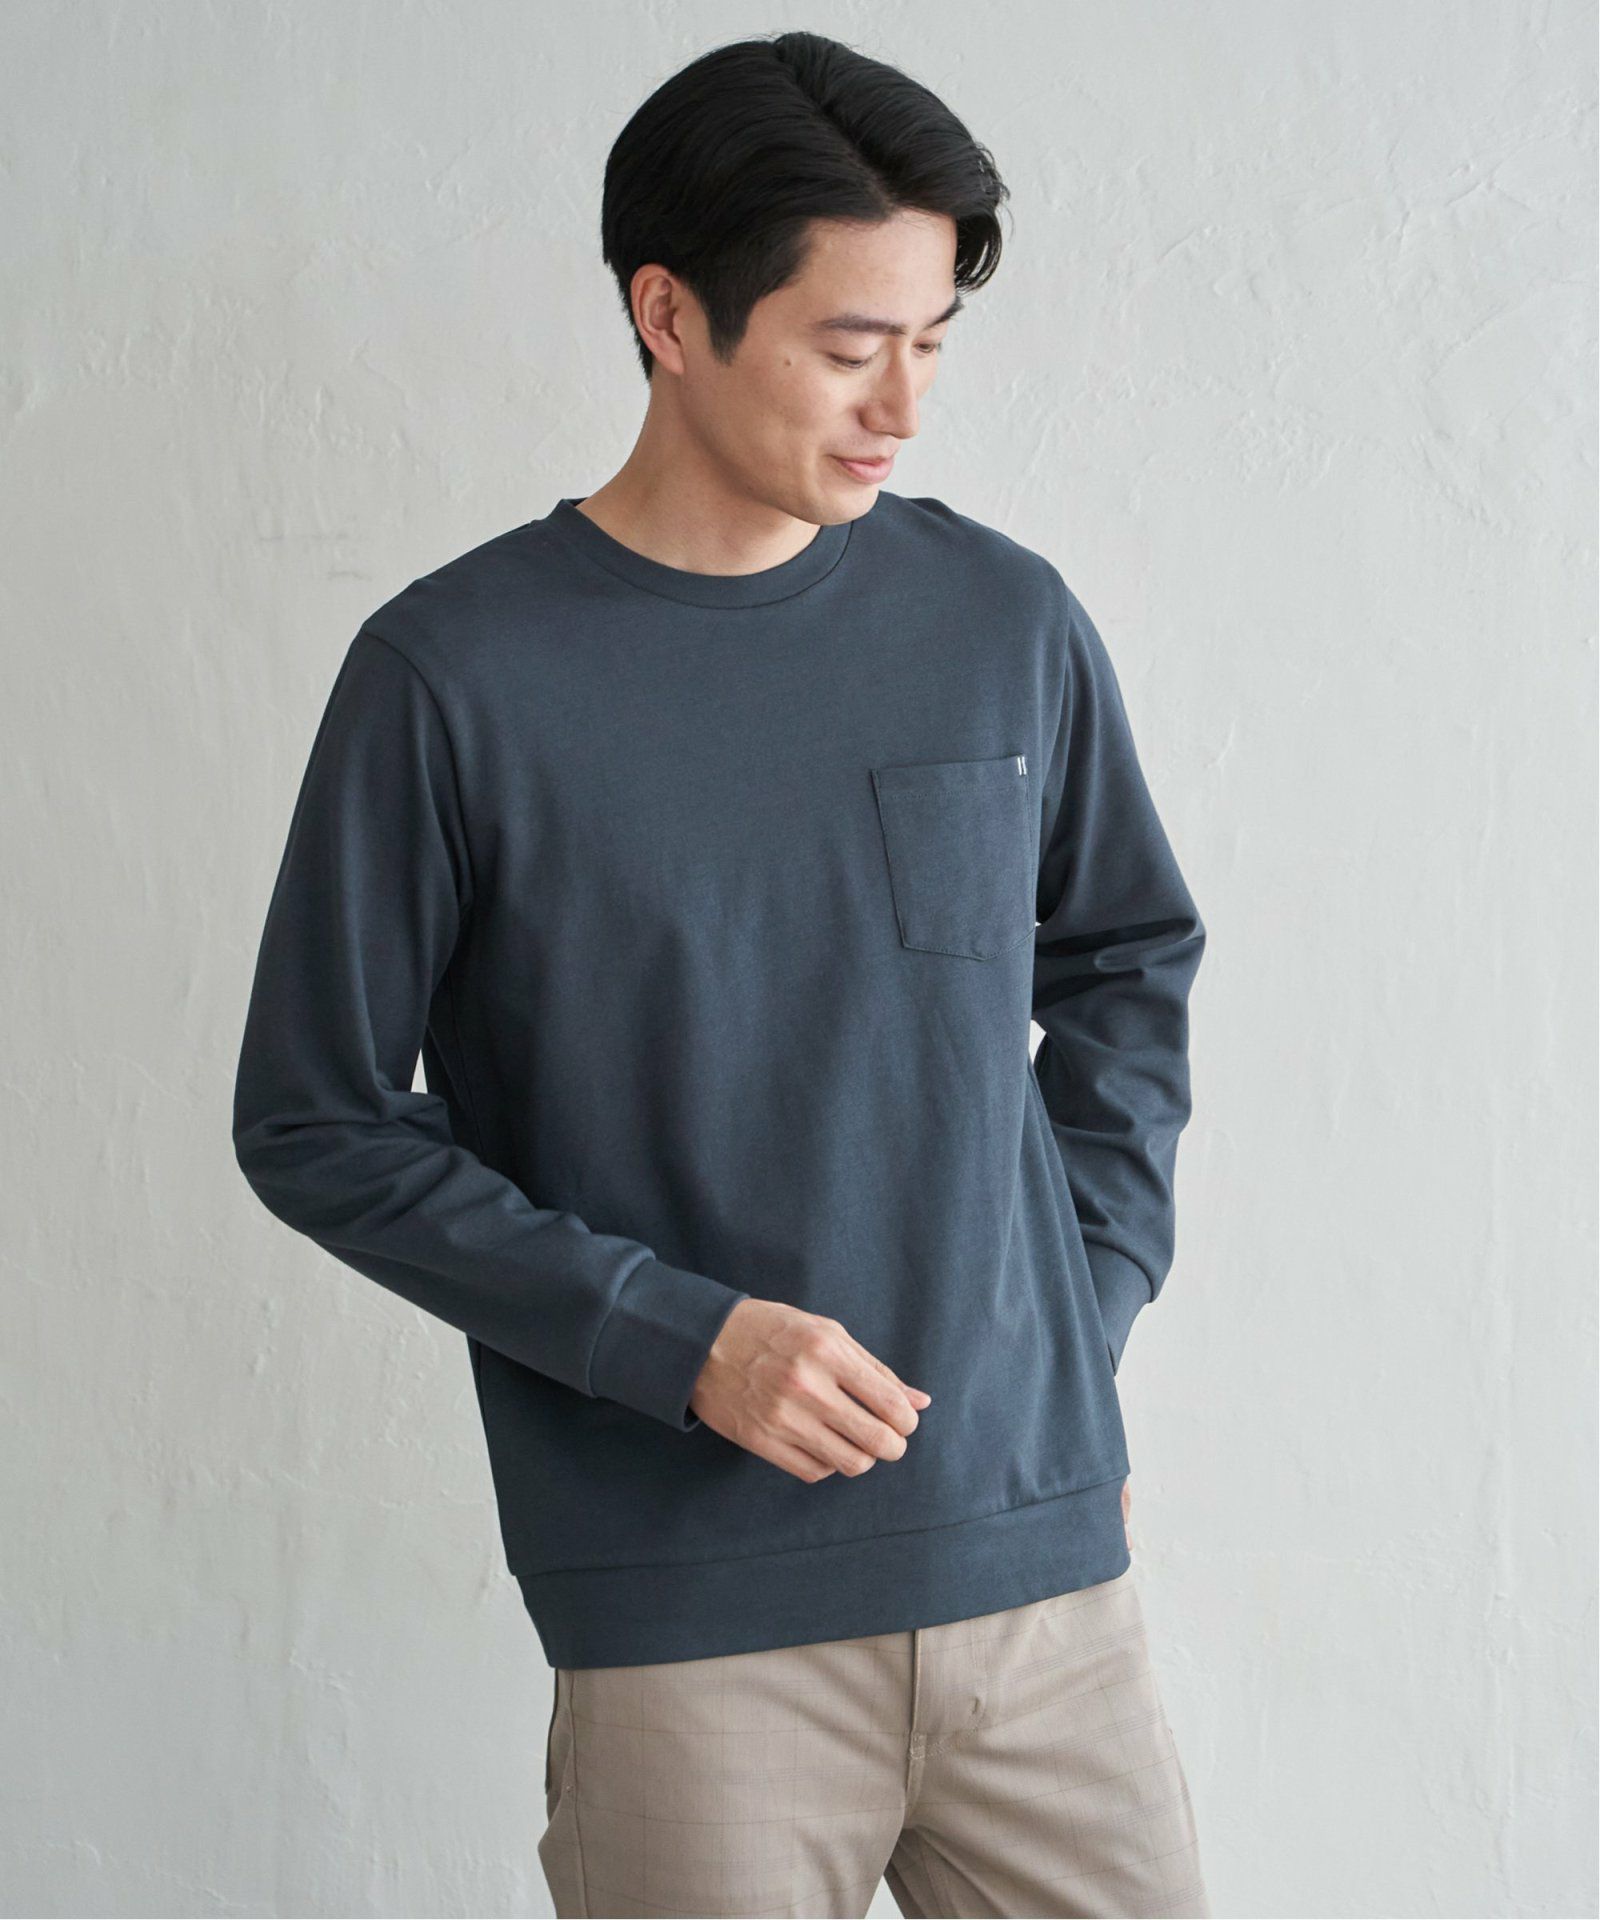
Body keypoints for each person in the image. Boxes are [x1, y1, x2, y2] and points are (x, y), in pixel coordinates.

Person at [232, 27, 1211, 1919]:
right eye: (851, 347)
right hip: (693, 1636)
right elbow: (316, 1118)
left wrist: (1074, 1305)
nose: (904, 405)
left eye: (933, 342)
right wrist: (679, 1344)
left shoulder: (1000, 619)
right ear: (668, 313)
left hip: (1047, 1599)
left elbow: (1128, 959)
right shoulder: (454, 679)